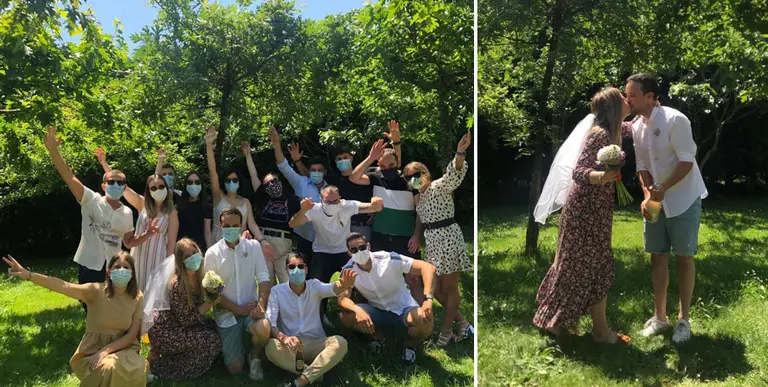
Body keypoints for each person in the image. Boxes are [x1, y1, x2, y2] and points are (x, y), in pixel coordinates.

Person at [531, 87, 634, 344]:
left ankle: (556, 323)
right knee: (589, 265)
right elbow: (579, 171)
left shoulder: (614, 130)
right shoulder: (599, 135)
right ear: (613, 106)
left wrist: (651, 112)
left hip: (595, 209)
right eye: (623, 97)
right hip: (586, 211)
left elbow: (636, 127)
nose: (627, 99)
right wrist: (603, 176)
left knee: (583, 265)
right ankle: (599, 332)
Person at [626, 73, 708, 343]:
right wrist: (648, 192)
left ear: (650, 97)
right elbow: (641, 166)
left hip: (683, 198)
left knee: (684, 257)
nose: (628, 100)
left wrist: (663, 187)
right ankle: (660, 318)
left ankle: (684, 321)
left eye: (633, 95)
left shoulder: (675, 120)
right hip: (656, 201)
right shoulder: (636, 126)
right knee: (657, 255)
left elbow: (686, 161)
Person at [44, 127, 156, 308]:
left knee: (114, 309)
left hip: (114, 269)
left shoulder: (127, 213)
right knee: (91, 308)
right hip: (90, 264)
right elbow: (69, 176)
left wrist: (147, 235)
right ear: (104, 186)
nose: (116, 185)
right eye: (112, 182)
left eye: (121, 183)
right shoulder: (90, 200)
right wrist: (54, 151)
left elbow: (128, 242)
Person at [4, 252, 147, 386]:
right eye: (117, 267)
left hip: (124, 349)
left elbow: (131, 335)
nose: (121, 270)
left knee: (139, 367)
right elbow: (63, 286)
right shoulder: (95, 291)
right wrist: (29, 275)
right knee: (108, 368)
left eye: (126, 267)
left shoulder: (137, 297)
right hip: (93, 350)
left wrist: (106, 351)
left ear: (132, 272)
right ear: (109, 271)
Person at [403, 132, 473, 346]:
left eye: (416, 174)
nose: (412, 179)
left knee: (450, 288)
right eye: (408, 177)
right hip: (432, 242)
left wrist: (460, 152)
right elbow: (421, 219)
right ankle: (461, 323)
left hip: (449, 238)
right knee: (437, 289)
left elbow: (454, 173)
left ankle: (445, 332)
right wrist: (417, 235)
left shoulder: (438, 186)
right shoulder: (420, 197)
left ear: (426, 173)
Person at [288, 186, 383, 326]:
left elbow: (373, 207)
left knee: (358, 285)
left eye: (335, 201)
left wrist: (376, 203)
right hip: (322, 253)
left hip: (344, 253)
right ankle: (318, 319)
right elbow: (293, 223)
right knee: (317, 288)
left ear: (340, 199)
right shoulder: (314, 209)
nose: (333, 205)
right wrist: (303, 210)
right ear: (321, 200)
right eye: (328, 202)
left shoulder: (346, 206)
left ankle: (357, 316)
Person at [338, 233, 436, 364]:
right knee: (345, 317)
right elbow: (342, 299)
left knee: (425, 320)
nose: (359, 252)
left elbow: (427, 267)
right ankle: (378, 338)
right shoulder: (348, 270)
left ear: (368, 246)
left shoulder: (388, 259)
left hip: (404, 309)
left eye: (362, 247)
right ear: (349, 253)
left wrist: (428, 299)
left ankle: (409, 346)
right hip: (377, 312)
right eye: (354, 250)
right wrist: (357, 310)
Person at [349, 137, 425, 304]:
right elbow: (354, 177)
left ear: (398, 162)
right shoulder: (376, 177)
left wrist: (417, 236)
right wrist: (371, 157)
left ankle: (423, 316)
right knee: (378, 277)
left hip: (405, 237)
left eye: (391, 165)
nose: (386, 169)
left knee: (414, 280)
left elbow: (421, 211)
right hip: (380, 236)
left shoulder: (411, 180)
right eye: (382, 166)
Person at [94, 148, 180, 292]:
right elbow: (120, 185)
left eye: (161, 186)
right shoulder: (142, 204)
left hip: (158, 259)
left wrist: (168, 269)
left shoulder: (172, 213)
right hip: (138, 255)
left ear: (166, 188)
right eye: (154, 187)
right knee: (135, 292)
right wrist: (104, 164)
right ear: (149, 190)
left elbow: (171, 244)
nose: (157, 189)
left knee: (153, 295)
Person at [204, 207, 273, 380]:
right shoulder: (212, 253)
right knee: (235, 368)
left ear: (241, 225)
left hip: (251, 308)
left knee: (264, 328)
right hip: (227, 313)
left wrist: (261, 304)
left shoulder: (253, 246)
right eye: (226, 225)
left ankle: (255, 356)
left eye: (235, 225)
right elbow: (212, 293)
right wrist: (237, 308)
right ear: (220, 225)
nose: (231, 228)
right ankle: (241, 348)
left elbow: (264, 278)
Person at [265, 254, 355, 387]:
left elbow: (333, 288)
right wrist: (284, 338)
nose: (297, 270)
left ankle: (301, 381)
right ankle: (316, 374)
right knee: (271, 347)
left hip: (315, 344)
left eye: (300, 266)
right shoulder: (277, 291)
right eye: (292, 267)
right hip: (291, 347)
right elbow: (271, 323)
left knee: (340, 343)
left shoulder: (314, 286)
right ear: (286, 269)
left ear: (306, 269)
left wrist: (343, 285)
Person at [143, 238, 221, 381]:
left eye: (194, 252)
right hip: (167, 331)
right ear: (181, 261)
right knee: (211, 340)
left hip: (181, 325)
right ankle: (158, 367)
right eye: (187, 256)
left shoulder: (199, 277)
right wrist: (209, 304)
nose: (193, 257)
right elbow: (186, 320)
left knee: (216, 328)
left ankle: (178, 359)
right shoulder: (178, 285)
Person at [205, 127, 274, 260]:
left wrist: (262, 240)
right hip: (218, 245)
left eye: (234, 180)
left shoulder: (245, 202)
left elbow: (252, 224)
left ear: (239, 182)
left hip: (240, 247)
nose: (231, 183)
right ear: (223, 182)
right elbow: (212, 171)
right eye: (228, 180)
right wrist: (209, 146)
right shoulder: (218, 197)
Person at [268, 126, 326, 269]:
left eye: (319, 171)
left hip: (324, 240)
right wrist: (276, 143)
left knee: (319, 275)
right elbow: (283, 165)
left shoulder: (332, 188)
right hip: (304, 238)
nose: (316, 173)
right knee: (301, 273)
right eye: (313, 170)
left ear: (325, 172)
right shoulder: (301, 182)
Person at [242, 141, 299, 285]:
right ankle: (269, 308)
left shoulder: (292, 199)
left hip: (284, 243)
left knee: (287, 283)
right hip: (265, 240)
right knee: (267, 282)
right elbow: (253, 175)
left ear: (279, 181)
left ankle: (288, 308)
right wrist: (248, 155)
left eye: (273, 181)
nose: (271, 185)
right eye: (267, 184)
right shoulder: (263, 197)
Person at [175, 170, 213, 250]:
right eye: (190, 182)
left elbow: (207, 232)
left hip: (199, 249)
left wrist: (210, 251)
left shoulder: (206, 206)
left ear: (201, 184)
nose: (193, 185)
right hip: (181, 248)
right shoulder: (179, 204)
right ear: (186, 185)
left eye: (197, 182)